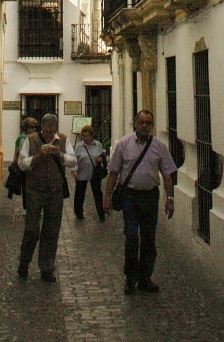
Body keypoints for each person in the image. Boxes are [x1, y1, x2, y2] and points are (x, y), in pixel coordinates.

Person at [103, 109, 176, 295]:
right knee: (132, 236)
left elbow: (167, 175)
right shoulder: (124, 144)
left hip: (150, 196)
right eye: (141, 122)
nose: (144, 126)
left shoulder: (159, 147)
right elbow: (114, 172)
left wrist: (170, 198)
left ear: (152, 125)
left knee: (149, 238)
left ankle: (145, 278)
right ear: (135, 123)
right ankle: (130, 277)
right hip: (129, 197)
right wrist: (107, 196)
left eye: (148, 123)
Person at [17, 112, 77, 282]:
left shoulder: (63, 140)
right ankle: (24, 261)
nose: (50, 134)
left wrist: (60, 155)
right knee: (32, 229)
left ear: (56, 128)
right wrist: (38, 156)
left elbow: (72, 161)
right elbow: (21, 164)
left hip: (55, 190)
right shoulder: (31, 140)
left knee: (51, 229)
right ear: (41, 128)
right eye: (46, 131)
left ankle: (47, 268)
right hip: (34, 189)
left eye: (52, 131)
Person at [74, 124, 107, 222]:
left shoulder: (98, 144)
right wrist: (74, 170)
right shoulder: (79, 146)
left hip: (94, 173)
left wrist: (101, 159)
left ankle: (101, 213)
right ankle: (79, 213)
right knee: (80, 194)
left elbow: (103, 155)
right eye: (83, 136)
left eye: (87, 136)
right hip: (82, 172)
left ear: (92, 135)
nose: (85, 138)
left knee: (97, 193)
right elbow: (74, 159)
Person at [14, 117, 38, 209]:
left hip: (34, 165)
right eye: (32, 127)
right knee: (25, 187)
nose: (34, 129)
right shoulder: (20, 138)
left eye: (35, 127)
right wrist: (16, 161)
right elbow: (16, 152)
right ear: (26, 128)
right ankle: (25, 207)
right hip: (24, 166)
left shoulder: (36, 137)